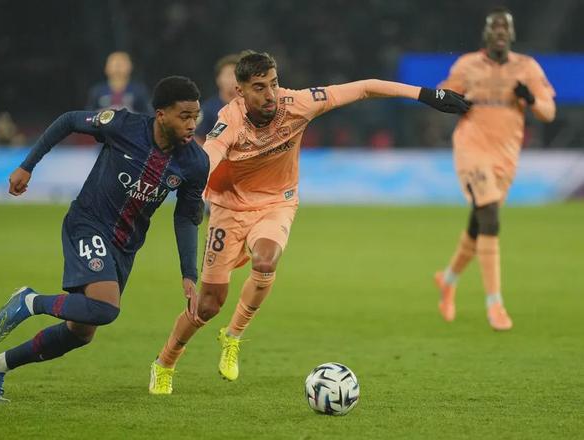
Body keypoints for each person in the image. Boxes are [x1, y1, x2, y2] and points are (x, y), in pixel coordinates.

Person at [147, 51, 470, 394]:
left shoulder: (298, 103)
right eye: (259, 87)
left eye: (273, 83)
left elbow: (365, 87)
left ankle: (234, 335)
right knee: (209, 304)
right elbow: (209, 157)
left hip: (276, 202)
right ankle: (165, 362)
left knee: (266, 260)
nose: (270, 94)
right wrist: (191, 186)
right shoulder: (230, 121)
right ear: (240, 91)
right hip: (229, 208)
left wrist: (426, 94)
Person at [0, 76, 208, 402]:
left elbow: (186, 217)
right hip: (88, 223)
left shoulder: (195, 162)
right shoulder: (123, 126)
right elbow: (69, 120)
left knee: (80, 332)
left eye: (195, 116)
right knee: (105, 307)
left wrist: (188, 273)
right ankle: (30, 301)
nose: (192, 124)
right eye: (184, 116)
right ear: (161, 115)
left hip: (125, 246)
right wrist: (28, 166)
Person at [433, 7, 556, 331]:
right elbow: (443, 96)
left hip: (505, 156)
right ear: (486, 33)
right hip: (471, 149)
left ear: (511, 34)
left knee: (480, 222)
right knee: (489, 214)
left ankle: (448, 279)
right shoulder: (466, 65)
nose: (500, 30)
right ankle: (494, 303)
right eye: (495, 26)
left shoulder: (527, 67)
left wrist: (530, 99)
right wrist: (455, 102)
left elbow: (548, 112)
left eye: (505, 26)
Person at [86, 51, 153, 115]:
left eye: (122, 63)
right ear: (106, 68)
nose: (118, 67)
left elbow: (148, 115)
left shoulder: (139, 90)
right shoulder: (97, 91)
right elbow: (87, 115)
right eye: (114, 63)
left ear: (130, 67)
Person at [195, 53, 240, 144]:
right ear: (218, 79)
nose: (233, 80)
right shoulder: (208, 109)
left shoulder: (251, 107)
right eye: (229, 75)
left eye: (237, 75)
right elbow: (198, 139)